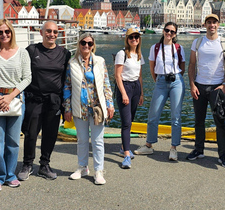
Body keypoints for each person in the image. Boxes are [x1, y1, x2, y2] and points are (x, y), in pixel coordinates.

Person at [18, 21, 71, 181]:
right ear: (42, 33)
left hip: (54, 100)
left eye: (55, 32)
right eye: (48, 31)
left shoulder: (64, 53)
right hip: (35, 98)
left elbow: (67, 79)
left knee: (50, 134)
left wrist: (67, 105)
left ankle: (44, 165)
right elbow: (22, 73)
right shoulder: (31, 50)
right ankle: (27, 164)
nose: (52, 34)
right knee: (31, 133)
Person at [0, 19, 31, 193]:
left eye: (7, 32)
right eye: (0, 32)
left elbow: (27, 77)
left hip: (15, 98)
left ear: (12, 33)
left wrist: (10, 96)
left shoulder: (22, 53)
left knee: (13, 141)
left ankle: (10, 175)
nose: (4, 35)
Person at [64, 33, 114, 185]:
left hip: (97, 107)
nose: (86, 46)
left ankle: (99, 171)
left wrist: (110, 104)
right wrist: (67, 107)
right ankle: (82, 167)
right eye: (83, 43)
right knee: (82, 140)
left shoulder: (100, 61)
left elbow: (106, 83)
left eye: (89, 43)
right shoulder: (72, 63)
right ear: (79, 44)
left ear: (93, 45)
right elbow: (67, 86)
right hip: (80, 106)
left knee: (98, 141)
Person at [187, 14, 225, 167]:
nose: (211, 25)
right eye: (209, 23)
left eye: (214, 23)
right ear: (205, 25)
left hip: (217, 87)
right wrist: (192, 85)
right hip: (200, 85)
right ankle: (198, 150)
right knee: (198, 121)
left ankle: (223, 155)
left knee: (220, 122)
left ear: (218, 25)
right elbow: (192, 65)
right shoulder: (198, 42)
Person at [136, 22, 185, 161]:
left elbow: (183, 67)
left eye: (172, 32)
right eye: (167, 30)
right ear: (163, 31)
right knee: (153, 114)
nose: (169, 33)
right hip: (161, 82)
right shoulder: (155, 48)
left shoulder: (178, 48)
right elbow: (152, 67)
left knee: (176, 116)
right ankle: (149, 145)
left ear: (175, 34)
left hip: (176, 81)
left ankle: (174, 148)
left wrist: (176, 77)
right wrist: (158, 80)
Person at [114, 28, 144, 169]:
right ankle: (126, 154)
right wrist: (124, 93)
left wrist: (142, 93)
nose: (134, 39)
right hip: (124, 87)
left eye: (136, 37)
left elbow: (140, 76)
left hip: (135, 87)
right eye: (131, 37)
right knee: (126, 122)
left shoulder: (138, 55)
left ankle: (122, 147)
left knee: (130, 120)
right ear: (127, 39)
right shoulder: (122, 54)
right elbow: (118, 75)